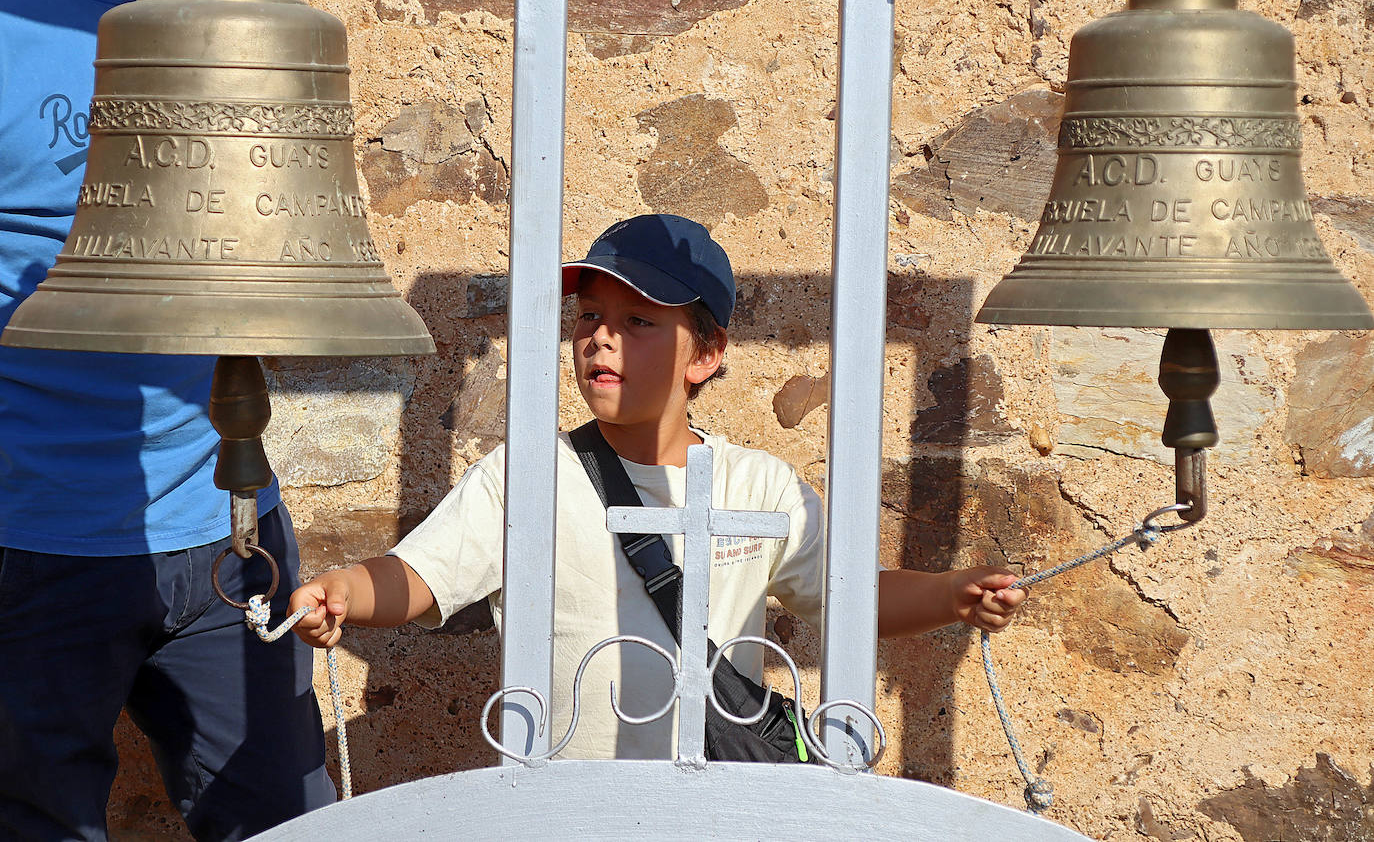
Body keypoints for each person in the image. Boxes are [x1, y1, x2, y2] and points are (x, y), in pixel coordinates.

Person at [290, 213, 1027, 760]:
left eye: (637, 321)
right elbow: (418, 576)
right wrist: (346, 590)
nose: (601, 339)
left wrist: (951, 595)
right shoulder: (527, 479)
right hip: (568, 815)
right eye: (589, 317)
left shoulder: (759, 487)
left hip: (713, 810)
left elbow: (852, 595)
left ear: (704, 354)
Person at [0, 0, 335, 841]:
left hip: (229, 523)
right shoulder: (6, 13)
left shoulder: (223, 8)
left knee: (292, 824)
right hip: (36, 538)